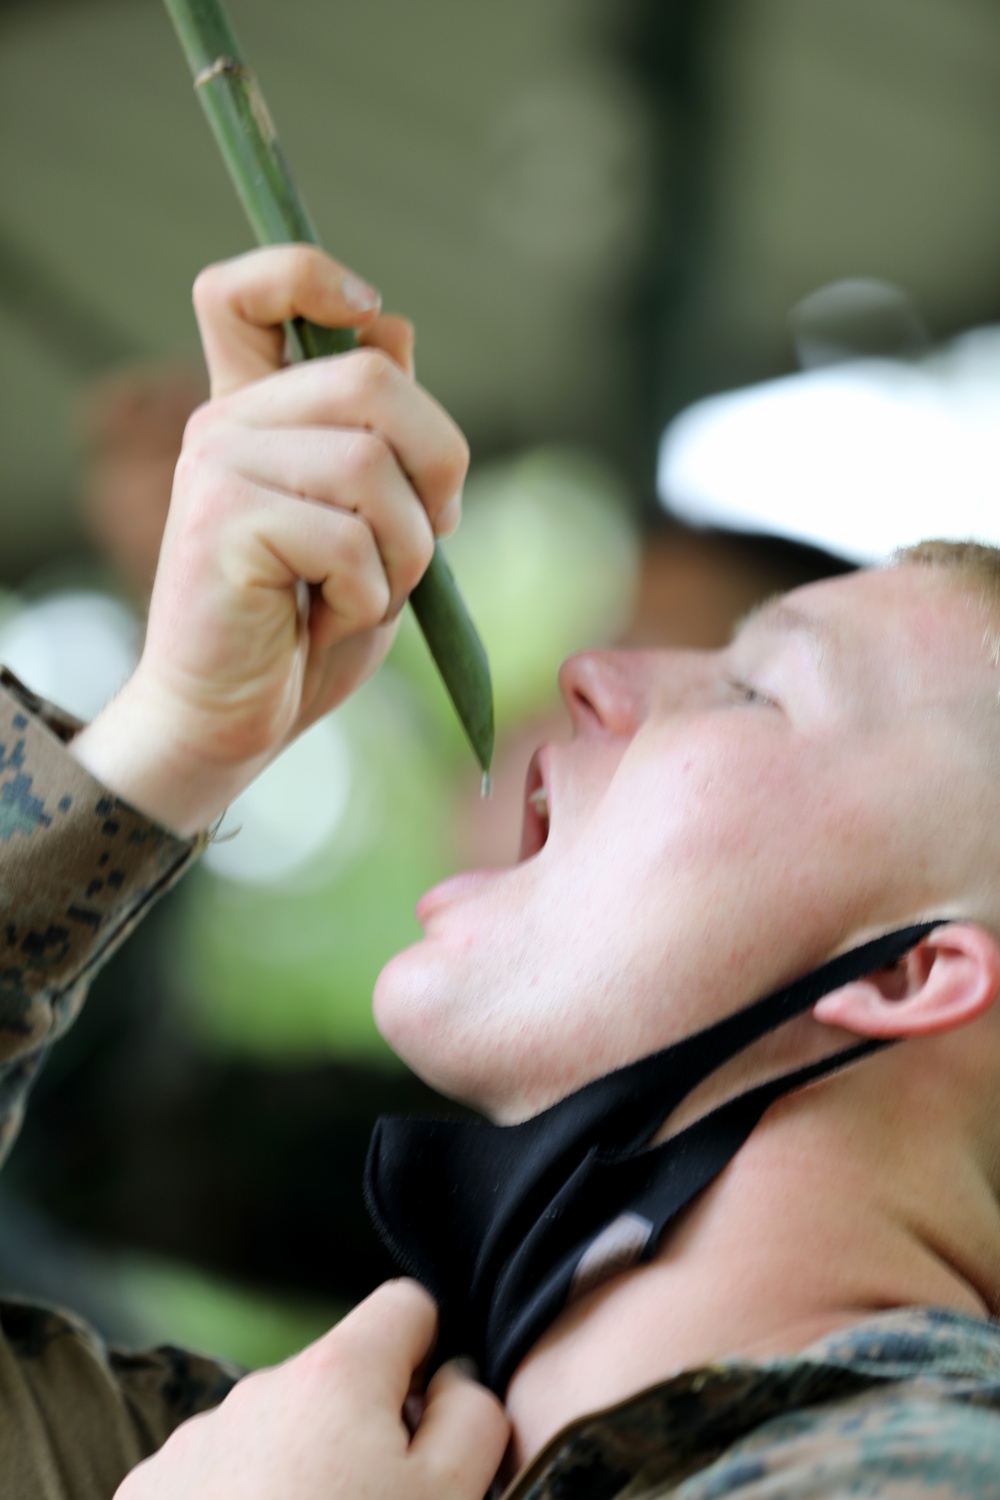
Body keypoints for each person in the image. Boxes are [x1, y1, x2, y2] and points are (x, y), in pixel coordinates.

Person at [2, 245, 999, 1500]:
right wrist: (168, 741)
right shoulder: (267, 1455)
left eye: (752, 687)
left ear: (909, 972)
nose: (585, 674)